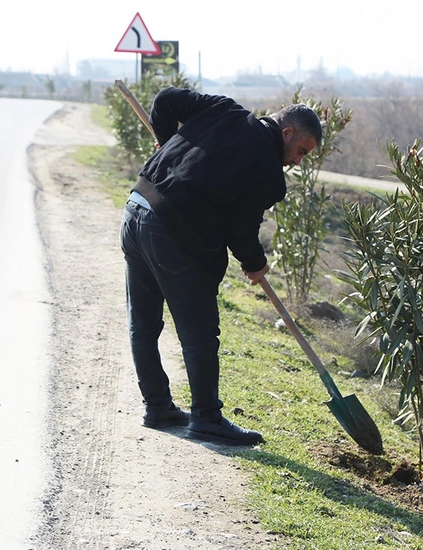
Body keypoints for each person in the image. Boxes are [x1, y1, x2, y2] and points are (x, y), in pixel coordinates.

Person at [119, 87, 321, 446]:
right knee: (199, 331)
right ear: (287, 132)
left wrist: (166, 144)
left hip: (136, 210)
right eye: (300, 151)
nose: (297, 162)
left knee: (144, 323)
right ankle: (207, 418)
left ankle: (158, 407)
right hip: (170, 232)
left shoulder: (223, 109)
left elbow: (165, 99)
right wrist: (256, 264)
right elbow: (241, 231)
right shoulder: (268, 172)